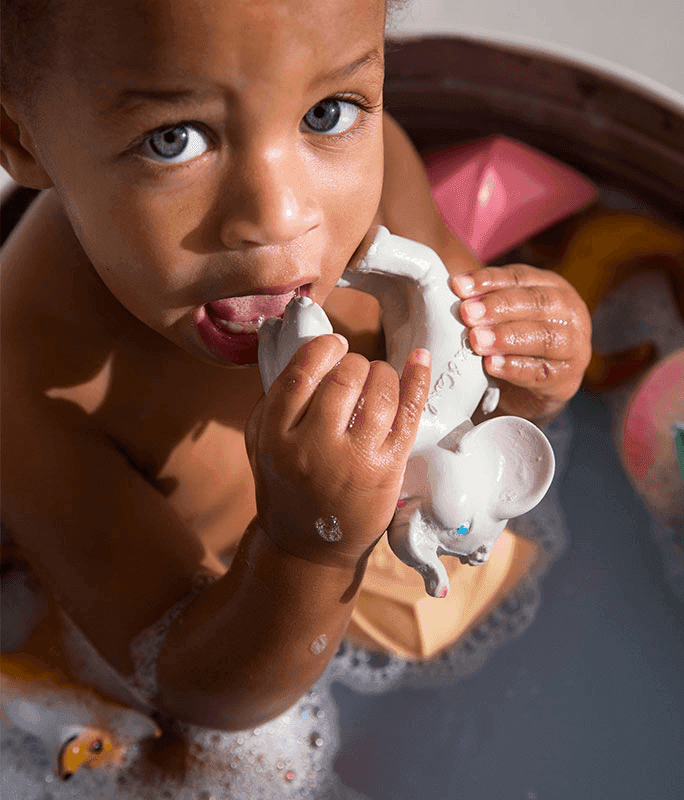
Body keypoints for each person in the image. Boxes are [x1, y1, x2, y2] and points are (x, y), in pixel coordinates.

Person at [0, 0, 592, 792]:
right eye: (173, 139)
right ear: (21, 139)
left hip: (438, 550)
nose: (279, 216)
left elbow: (471, 392)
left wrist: (532, 374)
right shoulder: (31, 373)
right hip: (250, 636)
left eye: (327, 111)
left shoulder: (380, 183)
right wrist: (306, 545)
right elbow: (191, 685)